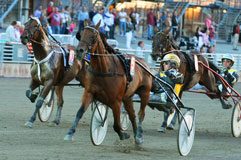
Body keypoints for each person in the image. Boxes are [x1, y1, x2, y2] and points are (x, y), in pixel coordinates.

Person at [149, 54, 184, 132]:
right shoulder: (160, 74)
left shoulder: (179, 75)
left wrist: (169, 73)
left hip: (170, 97)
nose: (164, 64)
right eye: (164, 63)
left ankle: (166, 121)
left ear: (173, 64)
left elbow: (179, 80)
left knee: (165, 91)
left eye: (166, 63)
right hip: (158, 93)